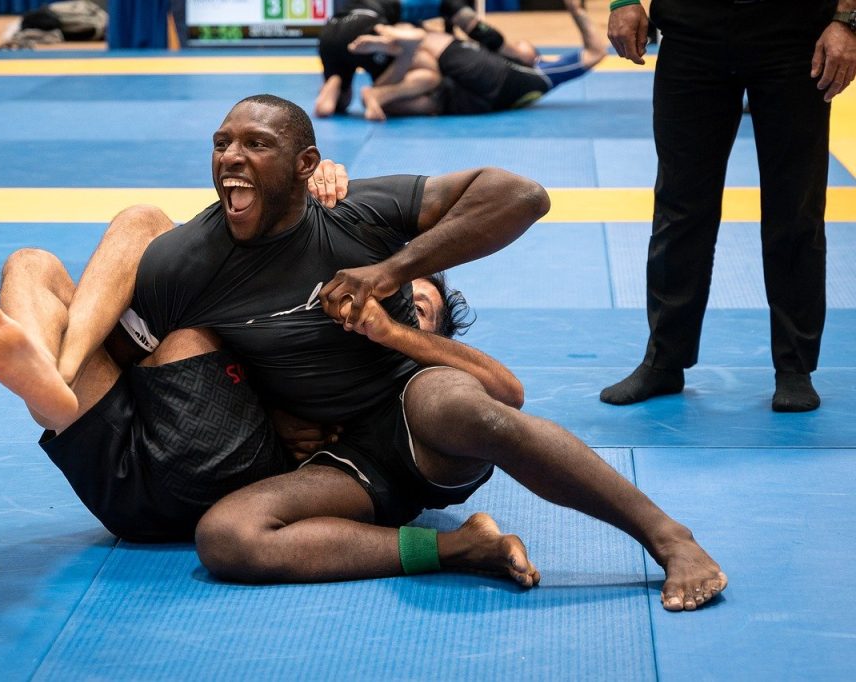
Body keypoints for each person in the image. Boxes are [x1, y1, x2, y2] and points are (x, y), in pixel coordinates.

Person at [122, 93, 725, 611]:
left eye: (254, 143)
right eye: (221, 142)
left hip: (413, 400)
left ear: (305, 165)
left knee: (471, 413)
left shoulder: (354, 212)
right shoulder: (192, 261)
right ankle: (459, 549)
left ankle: (669, 536)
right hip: (341, 462)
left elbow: (524, 196)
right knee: (227, 537)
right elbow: (137, 353)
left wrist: (388, 272)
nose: (230, 156)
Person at [0, 157, 521, 551]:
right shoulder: (310, 310)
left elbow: (499, 395)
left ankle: (58, 382)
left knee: (187, 316)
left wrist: (395, 339)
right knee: (32, 263)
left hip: (206, 470)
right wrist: (310, 183)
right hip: (117, 463)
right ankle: (53, 380)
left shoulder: (400, 387)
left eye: (419, 308)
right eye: (398, 292)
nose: (392, 304)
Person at [600, 0, 856, 412]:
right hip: (692, 30)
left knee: (796, 210)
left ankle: (794, 368)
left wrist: (847, 20)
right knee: (679, 207)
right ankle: (664, 359)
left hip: (794, 37)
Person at [348, 0, 607, 119]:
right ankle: (379, 95)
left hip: (493, 77)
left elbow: (596, 52)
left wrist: (575, 9)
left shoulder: (540, 73)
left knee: (430, 41)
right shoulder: (534, 83)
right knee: (426, 84)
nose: (519, 45)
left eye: (523, 46)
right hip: (476, 103)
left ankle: (397, 36)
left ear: (534, 58)